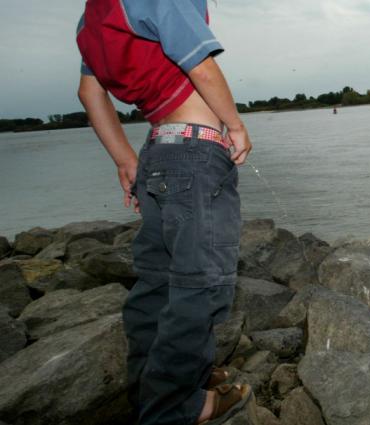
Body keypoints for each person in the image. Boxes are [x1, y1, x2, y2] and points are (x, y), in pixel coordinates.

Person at [76, 1, 253, 424]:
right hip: (195, 153)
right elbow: (200, 65)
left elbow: (89, 92)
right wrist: (235, 124)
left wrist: (124, 160)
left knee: (157, 284)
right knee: (201, 286)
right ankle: (175, 408)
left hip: (157, 152)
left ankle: (156, 386)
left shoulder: (91, 18)